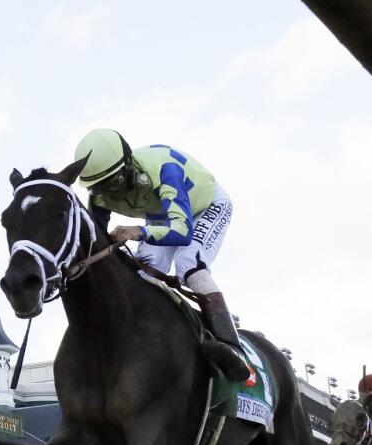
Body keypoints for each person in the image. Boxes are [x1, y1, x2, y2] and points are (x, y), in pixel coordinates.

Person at [74, 128, 249, 382]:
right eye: (100, 188)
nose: (110, 194)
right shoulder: (100, 196)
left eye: (113, 183)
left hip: (206, 206)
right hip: (162, 213)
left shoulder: (165, 171)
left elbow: (182, 231)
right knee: (142, 271)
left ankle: (232, 347)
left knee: (190, 265)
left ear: (128, 168)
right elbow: (95, 245)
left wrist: (138, 231)